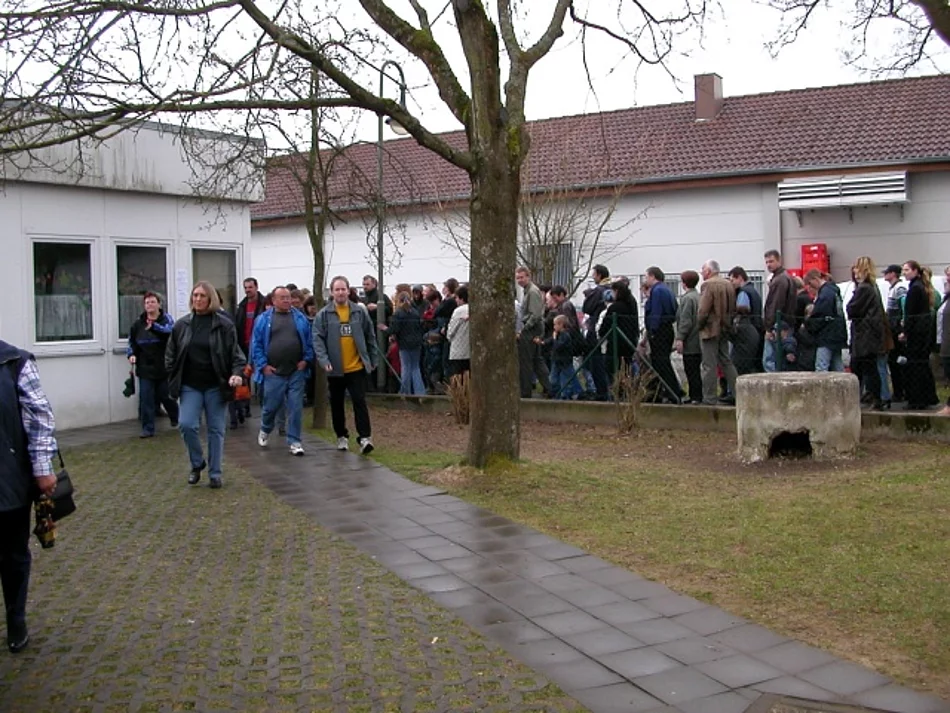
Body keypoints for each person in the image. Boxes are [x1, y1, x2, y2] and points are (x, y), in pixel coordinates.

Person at [1, 340, 58, 654]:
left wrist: (42, 469)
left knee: (12, 555)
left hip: (8, 480)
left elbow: (39, 417)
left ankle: (16, 618)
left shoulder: (14, 363)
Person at [165, 281, 246, 488]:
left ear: (211, 299)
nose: (198, 299)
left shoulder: (224, 325)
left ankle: (215, 473)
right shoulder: (182, 325)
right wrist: (173, 374)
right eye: (195, 295)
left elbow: (236, 355)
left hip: (215, 385)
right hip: (190, 385)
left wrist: (236, 374)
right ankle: (197, 463)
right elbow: (170, 354)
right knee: (186, 424)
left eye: (202, 296)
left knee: (216, 430)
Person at [313, 276, 378, 454]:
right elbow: (317, 340)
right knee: (337, 404)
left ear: (349, 291)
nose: (341, 293)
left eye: (343, 289)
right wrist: (324, 360)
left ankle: (365, 438)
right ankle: (341, 436)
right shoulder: (324, 315)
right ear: (332, 292)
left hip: (356, 367)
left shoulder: (359, 312)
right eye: (337, 289)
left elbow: (370, 336)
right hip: (335, 369)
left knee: (359, 401)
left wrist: (372, 360)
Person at [251, 286, 314, 456]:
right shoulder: (263, 320)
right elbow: (256, 345)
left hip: (296, 371)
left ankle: (295, 441)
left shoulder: (300, 318)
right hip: (273, 373)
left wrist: (306, 360)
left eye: (288, 297)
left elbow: (309, 341)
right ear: (273, 300)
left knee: (295, 407)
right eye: (283, 298)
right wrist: (263, 365)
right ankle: (265, 428)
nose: (287, 300)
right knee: (271, 406)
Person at [126, 292, 179, 437]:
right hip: (145, 367)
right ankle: (148, 428)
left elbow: (170, 333)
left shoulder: (166, 320)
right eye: (147, 302)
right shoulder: (138, 324)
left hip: (163, 366)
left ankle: (176, 418)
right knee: (146, 398)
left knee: (166, 396)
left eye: (152, 302)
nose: (149, 305)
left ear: (158, 304)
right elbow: (131, 342)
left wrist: (154, 327)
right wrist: (131, 355)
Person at [697, 260, 739, 406]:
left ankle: (709, 397)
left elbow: (703, 310)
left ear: (709, 271)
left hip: (710, 329)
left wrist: (699, 325)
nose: (702, 273)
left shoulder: (707, 285)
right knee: (726, 361)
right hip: (725, 328)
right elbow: (733, 308)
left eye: (703, 270)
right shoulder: (728, 284)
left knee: (709, 364)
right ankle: (738, 393)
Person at [846, 257, 886, 411]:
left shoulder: (864, 289)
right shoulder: (872, 287)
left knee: (865, 368)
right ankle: (872, 396)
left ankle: (873, 397)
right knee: (868, 367)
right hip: (869, 334)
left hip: (864, 335)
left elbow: (852, 309)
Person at [900, 260, 939, 410]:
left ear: (915, 271)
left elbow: (911, 313)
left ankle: (917, 400)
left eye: (907, 270)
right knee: (922, 365)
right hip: (922, 333)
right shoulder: (919, 287)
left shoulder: (915, 289)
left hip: (917, 334)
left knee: (916, 366)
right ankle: (928, 397)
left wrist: (905, 331)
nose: (904, 273)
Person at [643, 267, 682, 403]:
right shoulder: (667, 289)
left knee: (660, 363)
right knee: (663, 362)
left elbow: (656, 312)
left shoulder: (657, 290)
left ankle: (671, 392)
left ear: (653, 276)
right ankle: (669, 391)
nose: (646, 279)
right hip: (667, 328)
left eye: (646, 276)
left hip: (659, 331)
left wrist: (652, 331)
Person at [515, 266, 550, 398]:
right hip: (533, 327)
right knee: (536, 361)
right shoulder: (528, 291)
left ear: (528, 277)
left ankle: (525, 392)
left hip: (531, 328)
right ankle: (550, 388)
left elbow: (535, 314)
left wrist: (524, 329)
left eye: (522, 277)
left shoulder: (532, 292)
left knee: (526, 362)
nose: (520, 280)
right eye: (518, 278)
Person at [233, 277, 265, 421]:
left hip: (259, 345)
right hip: (244, 345)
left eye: (250, 287)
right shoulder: (242, 306)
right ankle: (246, 406)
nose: (247, 290)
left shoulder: (263, 304)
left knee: (260, 374)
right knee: (245, 375)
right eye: (245, 288)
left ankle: (262, 402)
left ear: (256, 287)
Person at [803, 269, 847, 372]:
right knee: (837, 365)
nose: (809, 287)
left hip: (826, 335)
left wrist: (809, 323)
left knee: (821, 366)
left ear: (815, 279)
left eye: (809, 284)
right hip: (837, 333)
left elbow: (820, 314)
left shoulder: (825, 294)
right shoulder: (833, 290)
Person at [762, 250, 798, 372]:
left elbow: (775, 305)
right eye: (767, 262)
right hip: (785, 323)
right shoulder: (787, 278)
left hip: (778, 325)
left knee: (770, 360)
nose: (768, 265)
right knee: (781, 360)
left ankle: (774, 383)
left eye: (771, 261)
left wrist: (769, 328)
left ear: (779, 260)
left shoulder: (779, 280)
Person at [388, 291, 426, 396]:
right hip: (416, 343)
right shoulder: (415, 312)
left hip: (404, 344)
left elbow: (394, 329)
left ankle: (405, 391)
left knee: (406, 367)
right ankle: (420, 392)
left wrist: (385, 329)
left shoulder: (398, 313)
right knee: (415, 368)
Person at [674, 270, 703, 403]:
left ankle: (694, 396)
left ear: (684, 283)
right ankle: (697, 395)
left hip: (690, 340)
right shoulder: (699, 296)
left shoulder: (687, 299)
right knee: (696, 369)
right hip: (698, 338)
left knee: (691, 369)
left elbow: (685, 321)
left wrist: (680, 337)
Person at [446, 285, 471, 376]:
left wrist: (448, 335)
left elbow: (450, 332)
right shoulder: (473, 309)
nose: (455, 300)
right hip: (470, 351)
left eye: (456, 298)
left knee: (458, 377)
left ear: (461, 298)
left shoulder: (458, 311)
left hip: (458, 351)